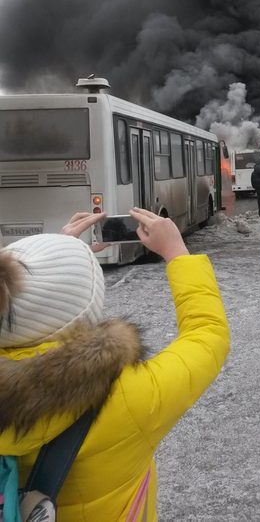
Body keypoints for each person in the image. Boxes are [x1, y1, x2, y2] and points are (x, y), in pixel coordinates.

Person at [0, 209, 230, 521]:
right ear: (86, 315)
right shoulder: (131, 395)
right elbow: (207, 336)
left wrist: (54, 253)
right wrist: (178, 254)